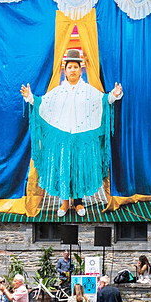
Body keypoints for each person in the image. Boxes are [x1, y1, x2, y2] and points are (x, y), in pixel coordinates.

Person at [18, 45, 123, 212]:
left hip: (82, 138)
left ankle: (79, 202)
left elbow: (103, 101)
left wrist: (114, 95)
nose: (72, 70)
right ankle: (65, 202)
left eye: (75, 67)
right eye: (69, 67)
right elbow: (42, 104)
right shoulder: (57, 92)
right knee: (64, 169)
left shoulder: (89, 91)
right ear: (65, 71)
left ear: (80, 70)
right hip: (63, 138)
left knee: (79, 169)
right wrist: (29, 97)